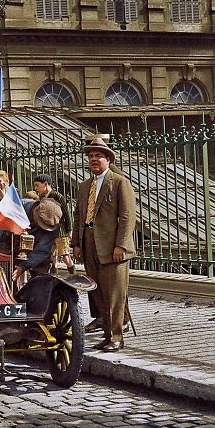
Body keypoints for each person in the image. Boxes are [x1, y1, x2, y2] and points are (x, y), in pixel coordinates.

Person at [71, 137, 136, 352]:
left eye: (98, 156)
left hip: (112, 247)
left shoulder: (119, 182)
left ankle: (117, 336)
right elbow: (78, 215)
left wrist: (122, 246)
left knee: (115, 294)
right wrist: (76, 244)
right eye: (90, 156)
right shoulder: (84, 186)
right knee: (97, 293)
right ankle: (107, 335)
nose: (94, 160)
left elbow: (127, 217)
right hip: (89, 244)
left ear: (108, 159)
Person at [11, 197, 63, 282]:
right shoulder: (17, 207)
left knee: (40, 282)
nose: (44, 228)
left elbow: (42, 251)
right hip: (11, 248)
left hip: (38, 256)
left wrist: (23, 267)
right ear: (36, 211)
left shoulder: (54, 224)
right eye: (41, 224)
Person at [33, 173, 76, 275]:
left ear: (46, 184)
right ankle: (54, 279)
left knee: (66, 257)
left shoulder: (57, 196)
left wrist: (69, 229)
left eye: (37, 185)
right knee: (53, 258)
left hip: (60, 232)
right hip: (48, 232)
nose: (35, 188)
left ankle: (74, 277)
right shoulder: (41, 197)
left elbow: (66, 213)